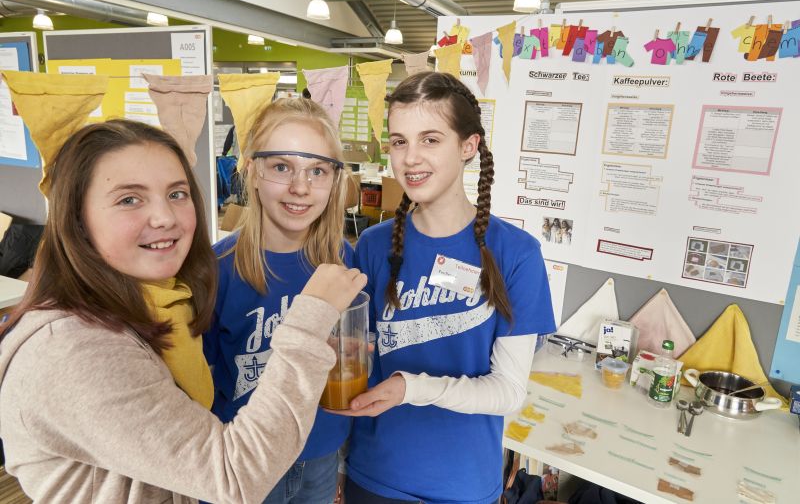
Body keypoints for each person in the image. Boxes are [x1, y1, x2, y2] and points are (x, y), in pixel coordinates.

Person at [0, 119, 366, 503]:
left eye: (177, 194)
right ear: (77, 218)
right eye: (129, 199)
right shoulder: (70, 349)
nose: (165, 218)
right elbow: (234, 475)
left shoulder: (156, 300)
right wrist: (311, 319)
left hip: (310, 446)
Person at [341, 72, 557, 503]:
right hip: (374, 476)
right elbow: (354, 367)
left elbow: (509, 392)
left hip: (463, 486)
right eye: (399, 141)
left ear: (468, 146)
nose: (410, 158)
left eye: (430, 139)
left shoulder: (516, 254)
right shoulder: (371, 246)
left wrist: (411, 388)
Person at [205, 98, 354, 504]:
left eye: (317, 171)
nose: (300, 187)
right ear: (251, 170)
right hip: (247, 463)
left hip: (320, 451)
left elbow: (351, 355)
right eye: (282, 167)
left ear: (334, 180)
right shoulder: (216, 269)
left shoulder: (343, 260)